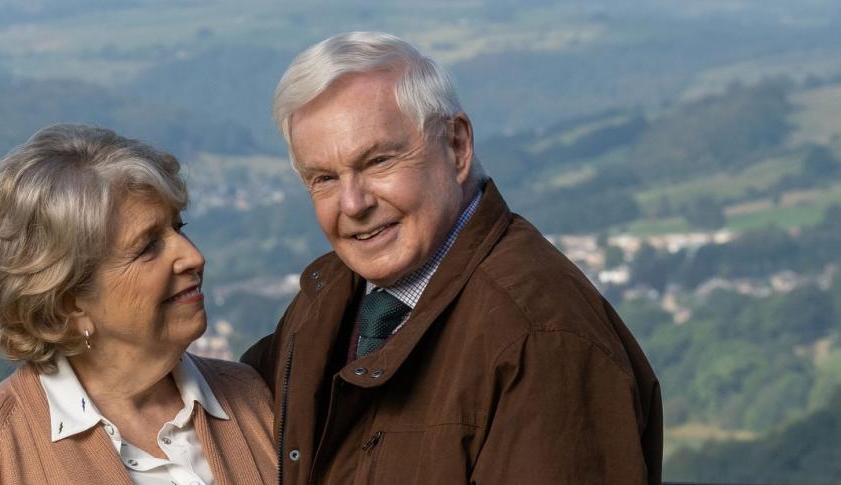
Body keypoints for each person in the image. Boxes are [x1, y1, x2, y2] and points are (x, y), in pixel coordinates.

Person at [242, 32, 663, 484]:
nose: (352, 204)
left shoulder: (540, 338)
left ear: (457, 145)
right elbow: (223, 406)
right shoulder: (327, 299)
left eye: (379, 161)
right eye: (323, 178)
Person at [0, 124, 276, 485]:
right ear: (69, 303)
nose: (193, 256)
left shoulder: (251, 397)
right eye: (148, 247)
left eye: (179, 227)